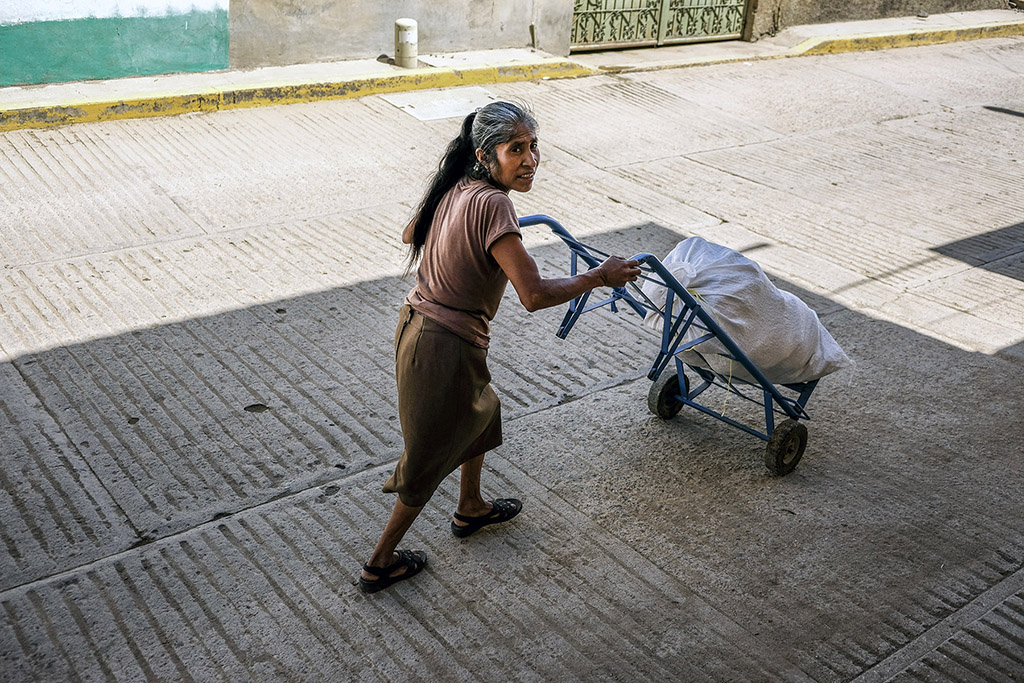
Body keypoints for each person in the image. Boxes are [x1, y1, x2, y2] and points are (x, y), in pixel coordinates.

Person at [358, 101, 641, 593]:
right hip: (441, 344)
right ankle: (379, 563)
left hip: (419, 325)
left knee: (483, 411)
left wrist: (465, 227)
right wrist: (600, 276)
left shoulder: (459, 187)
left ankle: (471, 507)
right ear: (486, 155)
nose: (530, 159)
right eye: (517, 150)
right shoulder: (494, 204)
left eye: (534, 148)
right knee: (424, 461)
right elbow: (533, 296)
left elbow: (412, 234)